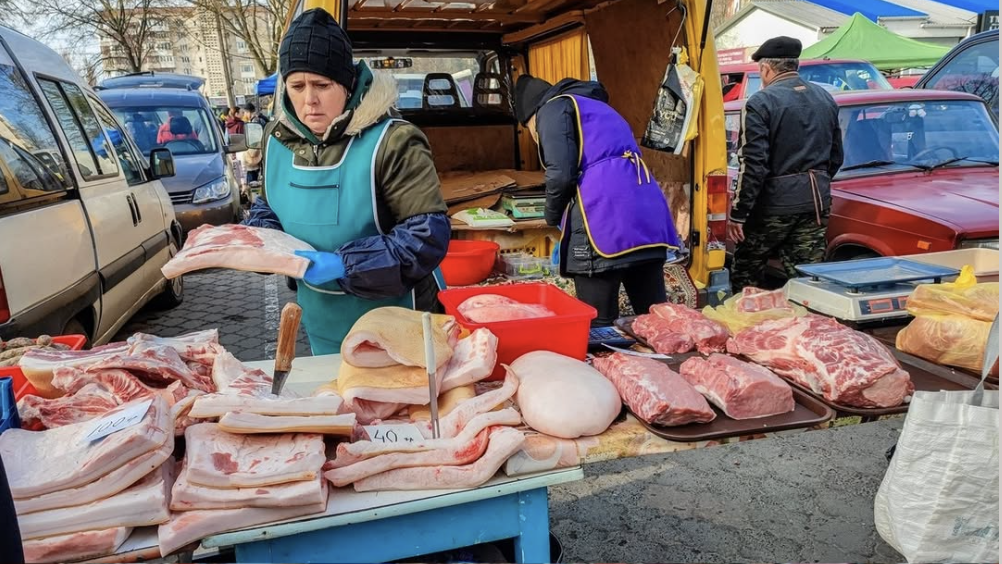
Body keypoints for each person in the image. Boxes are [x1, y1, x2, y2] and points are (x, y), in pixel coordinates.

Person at [242, 7, 450, 354]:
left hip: (398, 321)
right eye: (297, 86)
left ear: (348, 83)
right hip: (321, 319)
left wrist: (345, 264)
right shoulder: (276, 141)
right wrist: (261, 241)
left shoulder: (393, 141)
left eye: (322, 85)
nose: (309, 100)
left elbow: (426, 237)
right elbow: (270, 205)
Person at [513, 74, 681, 326]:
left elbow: (561, 174)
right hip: (648, 216)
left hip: (604, 218)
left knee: (597, 326)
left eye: (530, 130)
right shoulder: (598, 107)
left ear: (531, 116)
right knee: (656, 322)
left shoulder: (552, 108)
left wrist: (552, 216)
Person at [727, 36, 844, 292]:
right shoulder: (824, 98)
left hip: (773, 206)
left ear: (766, 69)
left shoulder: (760, 103)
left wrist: (738, 213)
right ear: (795, 66)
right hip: (815, 202)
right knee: (808, 281)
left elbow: (753, 164)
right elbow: (836, 157)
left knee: (747, 274)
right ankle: (808, 329)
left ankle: (753, 328)